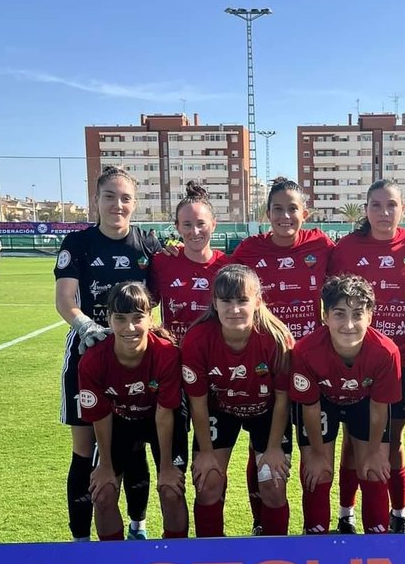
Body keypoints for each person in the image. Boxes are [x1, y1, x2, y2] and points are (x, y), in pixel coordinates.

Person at [54, 165, 161, 541]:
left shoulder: (149, 244)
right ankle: (81, 541)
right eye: (109, 197)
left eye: (126, 198)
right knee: (84, 452)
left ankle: (138, 527)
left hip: (136, 357)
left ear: (135, 203)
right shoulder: (78, 245)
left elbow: (167, 294)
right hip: (89, 356)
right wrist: (89, 328)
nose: (118, 204)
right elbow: (65, 300)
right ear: (96, 200)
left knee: (133, 444)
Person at [231, 177, 334, 534]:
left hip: (313, 367)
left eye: (293, 208)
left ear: (305, 212)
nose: (285, 215)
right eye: (278, 208)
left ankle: (315, 532)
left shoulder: (321, 245)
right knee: (261, 453)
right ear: (267, 213)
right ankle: (263, 525)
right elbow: (220, 280)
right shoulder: (248, 250)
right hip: (264, 367)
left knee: (313, 453)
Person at [328, 179, 405, 533]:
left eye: (391, 205)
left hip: (400, 361)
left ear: (403, 209)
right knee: (353, 444)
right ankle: (346, 514)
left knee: (392, 441)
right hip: (351, 359)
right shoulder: (345, 248)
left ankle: (398, 513)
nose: (384, 212)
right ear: (366, 209)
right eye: (376, 205)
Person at [180, 264, 293, 537]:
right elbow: (197, 402)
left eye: (242, 300)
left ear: (257, 301)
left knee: (273, 483)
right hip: (220, 411)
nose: (234, 309)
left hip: (266, 411)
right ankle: (211, 554)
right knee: (207, 484)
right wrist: (206, 453)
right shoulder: (197, 340)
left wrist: (274, 448)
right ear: (215, 303)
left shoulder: (277, 339)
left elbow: (282, 400)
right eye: (226, 301)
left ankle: (273, 550)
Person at [290, 275, 402, 535]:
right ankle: (316, 539)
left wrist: (375, 450)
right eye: (339, 314)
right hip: (323, 403)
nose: (349, 324)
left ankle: (376, 543)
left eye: (357, 314)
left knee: (373, 470)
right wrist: (317, 454)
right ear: (325, 316)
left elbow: (378, 408)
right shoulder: (305, 351)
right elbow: (310, 407)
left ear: (370, 316)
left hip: (363, 403)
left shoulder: (386, 352)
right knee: (318, 472)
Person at [79, 282, 188, 540]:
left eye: (137, 318)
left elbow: (164, 414)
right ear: (108, 318)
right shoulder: (93, 360)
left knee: (170, 489)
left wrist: (166, 468)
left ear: (150, 318)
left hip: (160, 419)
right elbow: (101, 416)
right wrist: (105, 465)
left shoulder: (166, 354)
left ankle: (174, 557)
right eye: (120, 318)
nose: (129, 328)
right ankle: (115, 563)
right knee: (103, 492)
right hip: (120, 421)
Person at [149, 181, 227, 344]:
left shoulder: (227, 266)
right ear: (177, 227)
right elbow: (145, 308)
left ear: (213, 224)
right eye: (187, 224)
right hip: (175, 355)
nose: (195, 231)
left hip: (213, 356)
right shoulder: (162, 261)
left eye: (201, 224)